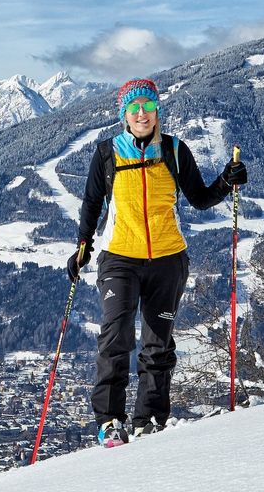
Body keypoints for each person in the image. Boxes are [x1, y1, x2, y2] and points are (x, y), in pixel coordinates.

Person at [67, 77, 247, 447]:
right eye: (134, 109)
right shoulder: (107, 154)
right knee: (115, 337)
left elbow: (199, 198)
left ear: (157, 111)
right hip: (119, 258)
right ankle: (110, 422)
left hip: (167, 260)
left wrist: (228, 182)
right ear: (124, 115)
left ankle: (149, 419)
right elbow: (91, 204)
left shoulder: (175, 150)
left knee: (157, 344)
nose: (141, 114)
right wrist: (83, 245)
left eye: (147, 107)